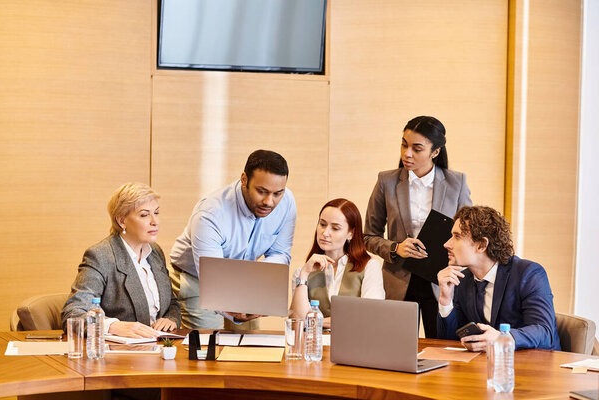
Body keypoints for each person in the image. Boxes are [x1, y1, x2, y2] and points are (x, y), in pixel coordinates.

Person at [364, 116, 471, 338]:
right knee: (396, 350)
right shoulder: (386, 181)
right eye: (404, 144)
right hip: (398, 281)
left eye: (417, 148)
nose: (407, 153)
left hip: (441, 281)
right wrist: (395, 248)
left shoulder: (456, 183)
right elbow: (368, 236)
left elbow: (469, 236)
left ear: (435, 152)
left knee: (442, 350)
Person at [169, 149, 297, 329]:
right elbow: (212, 277)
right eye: (262, 191)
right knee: (210, 343)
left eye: (277, 193)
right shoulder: (211, 213)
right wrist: (234, 311)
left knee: (250, 347)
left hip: (244, 279)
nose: (269, 202)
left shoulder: (287, 202)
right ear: (244, 179)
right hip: (197, 279)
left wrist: (261, 290)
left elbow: (280, 253)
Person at [62, 183, 181, 338]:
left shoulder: (155, 252)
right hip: (118, 355)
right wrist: (112, 326)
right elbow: (73, 314)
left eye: (156, 213)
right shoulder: (101, 255)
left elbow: (172, 302)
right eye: (144, 215)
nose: (155, 221)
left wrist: (171, 318)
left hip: (158, 347)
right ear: (122, 221)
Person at [437, 205, 561, 351]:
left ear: (481, 245)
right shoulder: (462, 281)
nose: (446, 244)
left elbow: (543, 332)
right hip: (487, 367)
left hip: (536, 366)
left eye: (457, 237)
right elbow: (450, 342)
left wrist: (502, 338)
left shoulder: (529, 274)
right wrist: (445, 300)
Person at [290, 198, 384, 329]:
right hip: (314, 346)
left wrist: (316, 321)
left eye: (335, 228)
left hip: (355, 345)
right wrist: (304, 274)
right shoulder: (302, 273)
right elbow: (297, 325)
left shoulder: (370, 267)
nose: (325, 233)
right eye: (322, 224)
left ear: (351, 233)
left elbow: (371, 316)